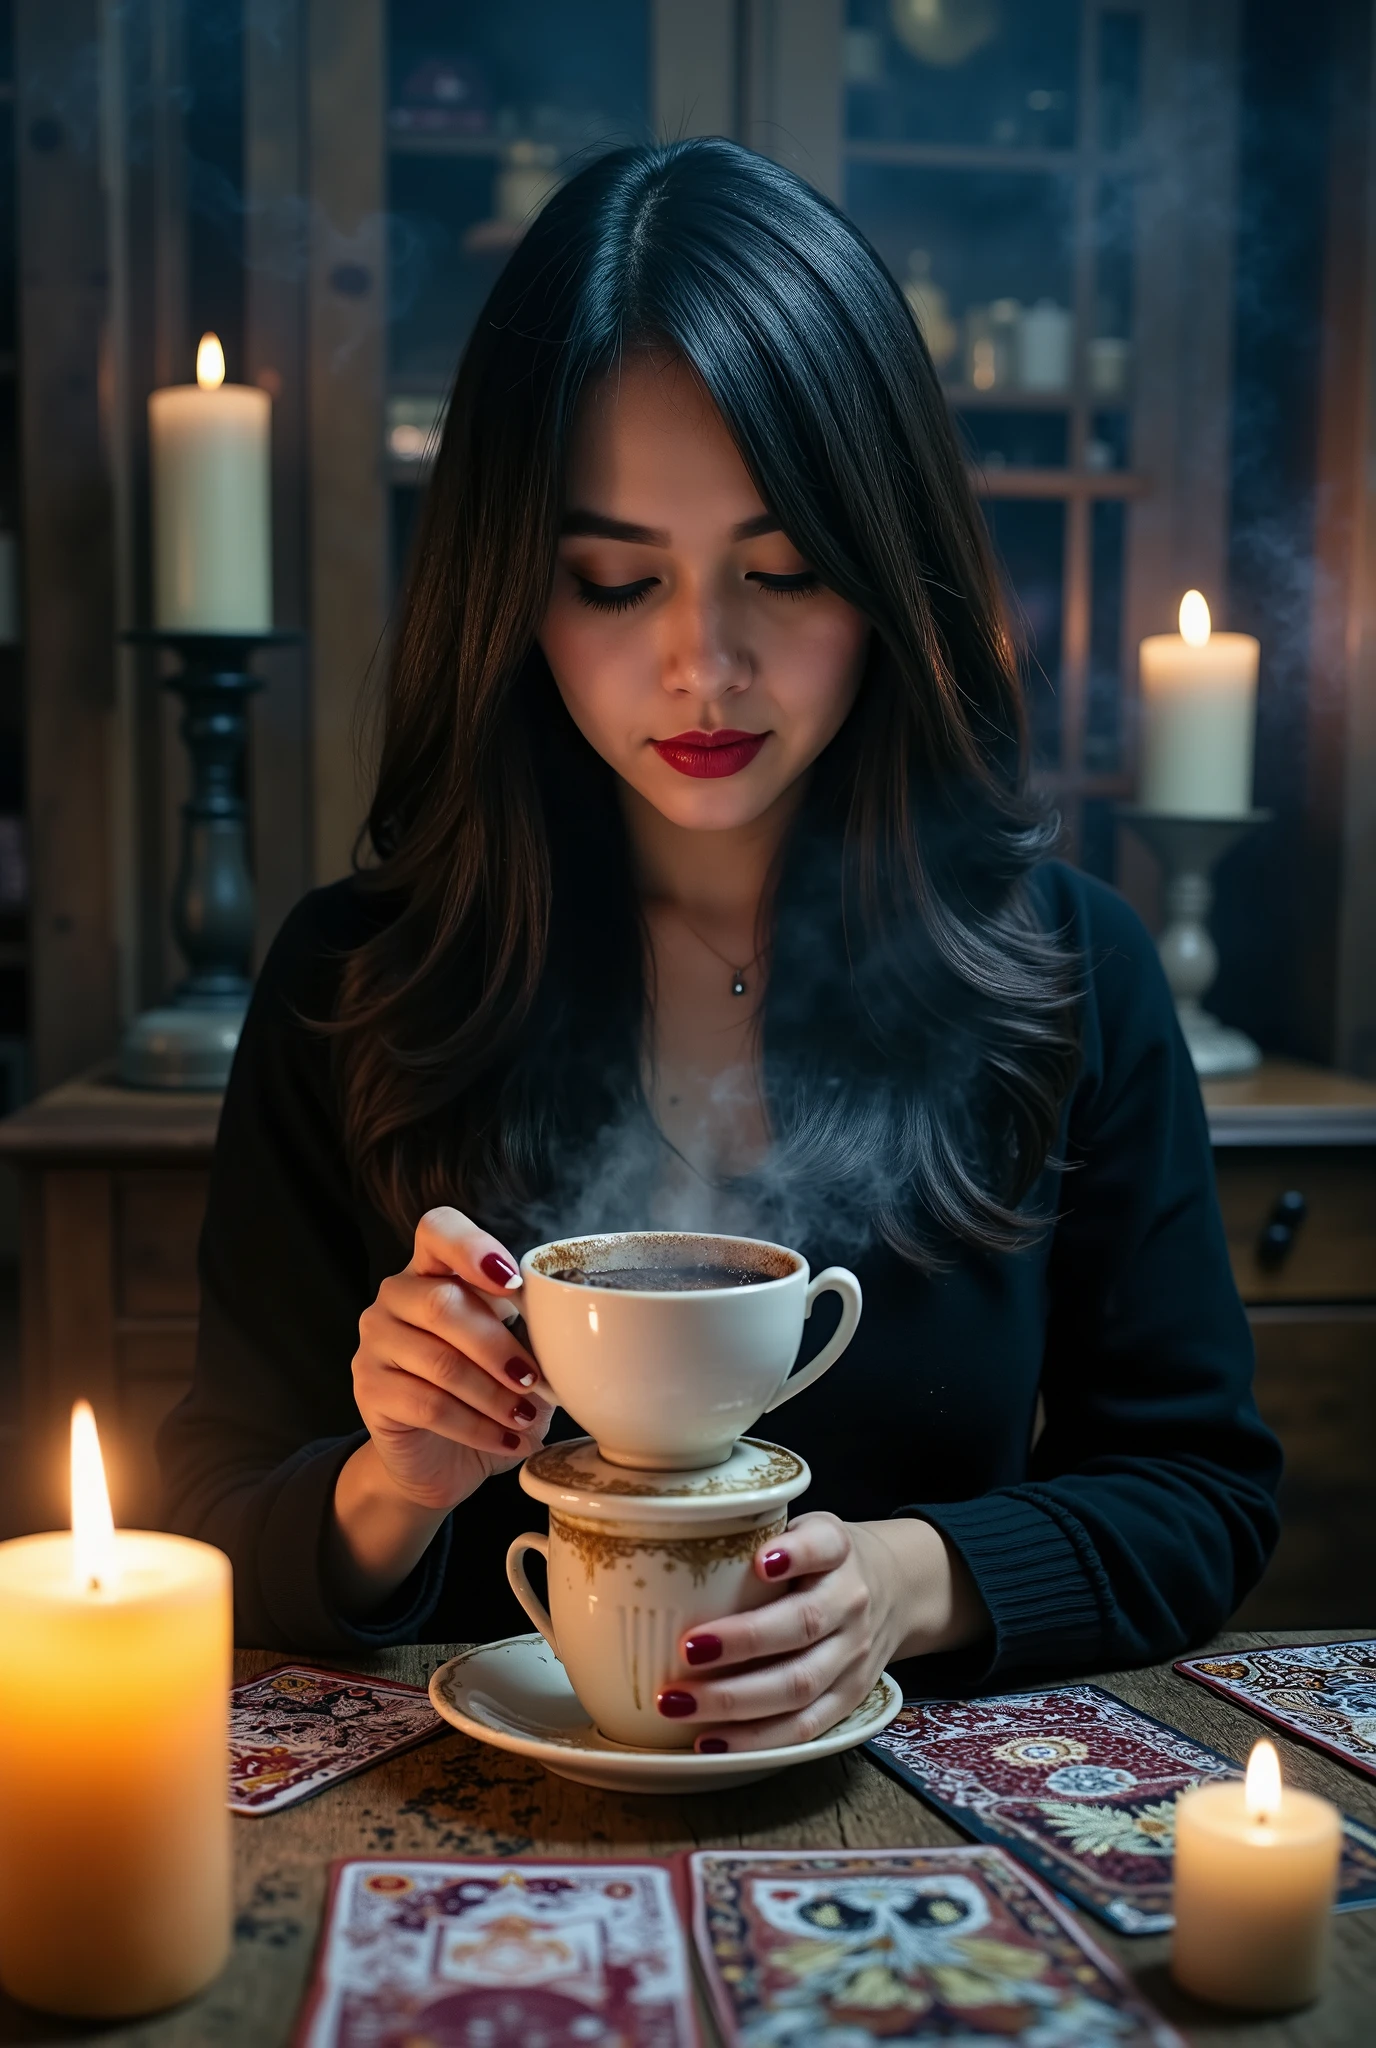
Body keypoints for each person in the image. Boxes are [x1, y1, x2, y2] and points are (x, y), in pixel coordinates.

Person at [159, 139, 1280, 1754]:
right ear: (511, 593)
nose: (705, 663)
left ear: (889, 574)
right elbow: (198, 1522)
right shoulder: (359, 983)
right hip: (484, 1835)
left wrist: (906, 1583)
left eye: (785, 570)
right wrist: (387, 1485)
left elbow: (1202, 1492)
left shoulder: (1067, 971)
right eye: (616, 581)